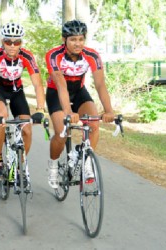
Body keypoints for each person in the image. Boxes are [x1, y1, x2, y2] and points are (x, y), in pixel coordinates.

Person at [45, 20, 115, 189]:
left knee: (93, 124)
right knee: (62, 132)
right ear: (64, 39)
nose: (77, 43)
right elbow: (61, 85)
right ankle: (53, 166)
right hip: (56, 92)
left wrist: (109, 110)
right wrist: (68, 111)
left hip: (79, 92)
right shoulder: (54, 55)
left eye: (81, 39)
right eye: (73, 39)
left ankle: (85, 160)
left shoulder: (92, 55)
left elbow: (100, 84)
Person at [0, 22, 46, 180]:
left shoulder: (27, 56)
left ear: (21, 43)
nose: (12, 46)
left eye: (17, 42)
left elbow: (38, 84)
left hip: (16, 92)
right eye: (8, 42)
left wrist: (40, 109)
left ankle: (21, 164)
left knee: (27, 128)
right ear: (2, 42)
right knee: (1, 118)